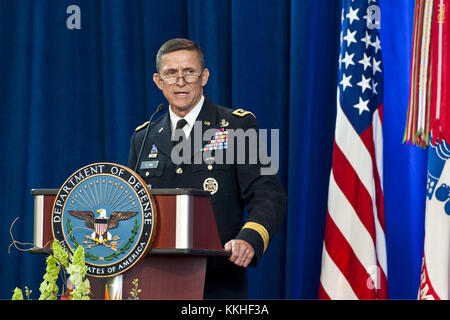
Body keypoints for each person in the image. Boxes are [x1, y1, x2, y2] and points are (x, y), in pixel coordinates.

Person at [128, 38, 286, 299]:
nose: (180, 81)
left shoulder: (236, 127)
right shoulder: (143, 137)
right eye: (171, 73)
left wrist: (250, 238)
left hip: (217, 282)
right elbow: (133, 205)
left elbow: (268, 194)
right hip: (154, 281)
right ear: (158, 81)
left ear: (204, 77)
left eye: (189, 72)